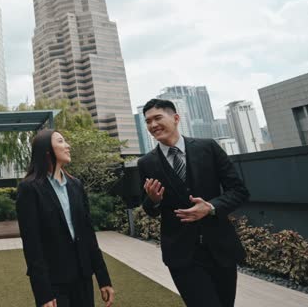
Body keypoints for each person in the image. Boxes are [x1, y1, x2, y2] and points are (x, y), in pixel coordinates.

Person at [138, 98, 249, 307]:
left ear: (176, 118)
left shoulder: (208, 148)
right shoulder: (146, 163)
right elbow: (148, 209)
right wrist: (153, 200)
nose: (152, 125)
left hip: (220, 248)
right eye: (148, 121)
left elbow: (239, 191)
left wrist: (211, 207)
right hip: (182, 255)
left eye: (157, 118)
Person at [16, 129, 115, 307]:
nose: (67, 146)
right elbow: (32, 245)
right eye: (61, 141)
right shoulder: (29, 189)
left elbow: (88, 234)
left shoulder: (76, 185)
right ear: (47, 151)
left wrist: (103, 278)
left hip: (83, 277)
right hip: (54, 283)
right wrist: (43, 293)